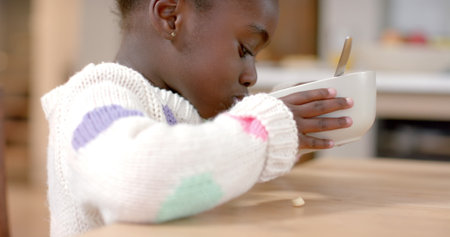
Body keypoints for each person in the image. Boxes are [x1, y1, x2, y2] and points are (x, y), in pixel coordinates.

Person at [41, 0, 353, 236]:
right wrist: (266, 130)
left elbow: (195, 172)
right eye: (245, 49)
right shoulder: (92, 98)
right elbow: (140, 179)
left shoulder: (181, 110)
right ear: (170, 17)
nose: (251, 75)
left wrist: (287, 129)